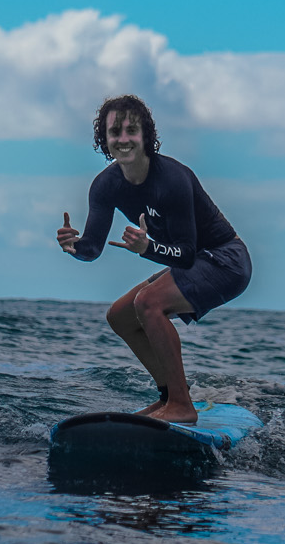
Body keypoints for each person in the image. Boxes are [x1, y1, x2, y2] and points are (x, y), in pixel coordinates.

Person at [55, 95, 251, 424]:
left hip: (227, 260)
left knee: (148, 303)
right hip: (193, 262)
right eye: (114, 132)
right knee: (119, 315)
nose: (123, 138)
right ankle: (168, 397)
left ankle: (181, 405)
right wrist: (74, 247)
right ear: (104, 140)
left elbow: (187, 254)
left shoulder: (171, 179)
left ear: (146, 135)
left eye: (132, 130)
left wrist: (147, 249)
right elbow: (93, 248)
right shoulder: (105, 187)